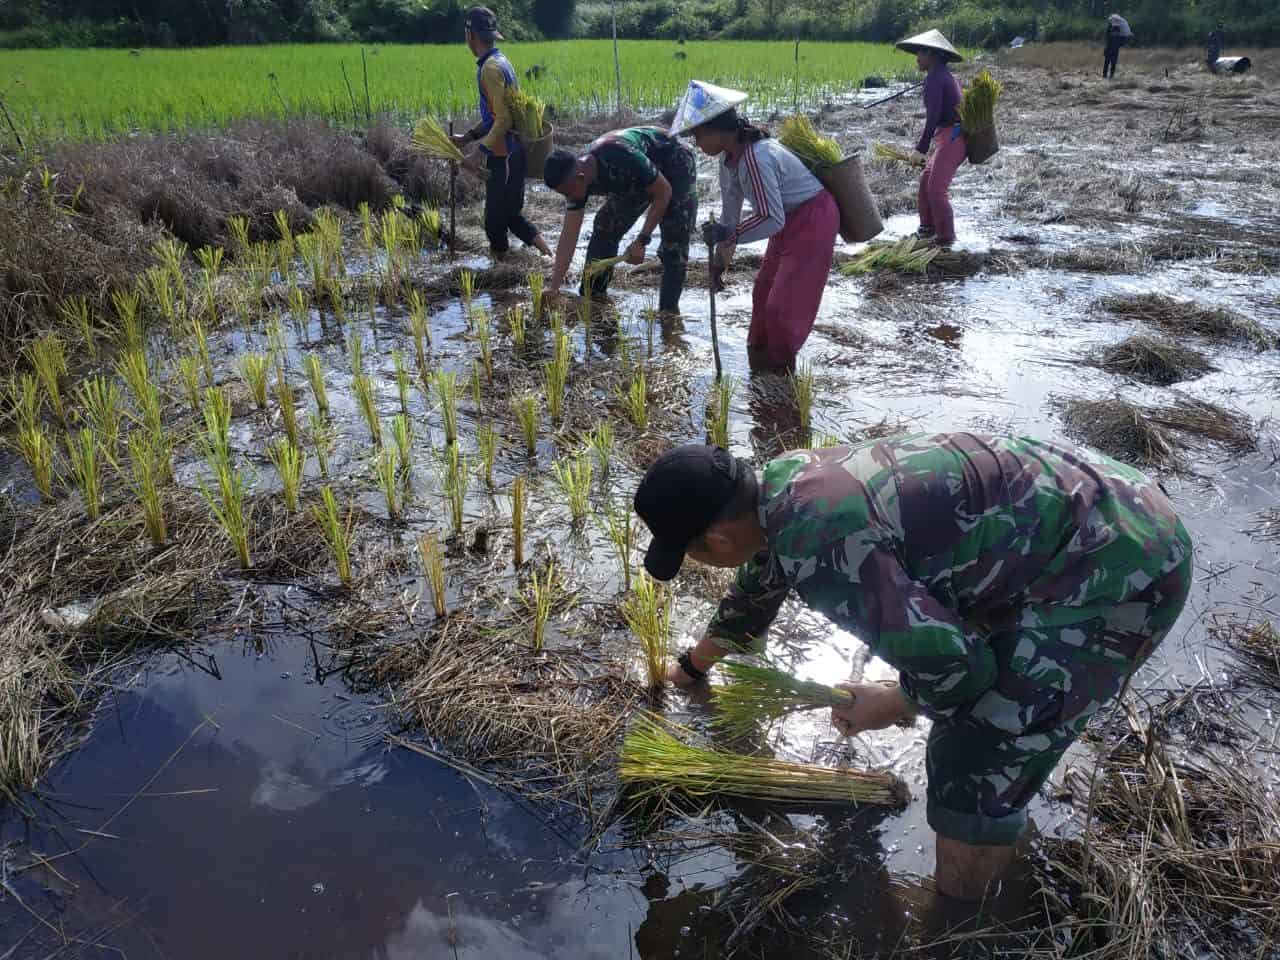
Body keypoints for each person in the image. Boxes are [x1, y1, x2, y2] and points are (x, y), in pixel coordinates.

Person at [632, 435, 1193, 900]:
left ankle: (962, 918)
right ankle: (1007, 864)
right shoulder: (786, 487)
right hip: (1106, 499)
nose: (696, 563)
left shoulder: (822, 543)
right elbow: (757, 588)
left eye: (692, 554)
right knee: (978, 699)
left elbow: (958, 671)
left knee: (973, 755)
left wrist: (893, 703)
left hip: (1119, 568)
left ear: (716, 538)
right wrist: (692, 666)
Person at [670, 80, 840, 372]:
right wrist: (720, 263)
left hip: (813, 219)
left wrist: (730, 234)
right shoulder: (729, 161)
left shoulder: (756, 158)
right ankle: (760, 366)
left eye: (697, 136)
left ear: (714, 129)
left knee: (782, 308)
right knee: (762, 292)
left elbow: (771, 218)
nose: (697, 145)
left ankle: (781, 374)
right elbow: (730, 216)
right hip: (787, 221)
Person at [542, 127, 697, 313]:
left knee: (674, 243)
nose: (569, 198)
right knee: (605, 226)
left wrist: (641, 241)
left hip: (673, 160)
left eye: (567, 193)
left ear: (580, 178)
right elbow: (569, 236)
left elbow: (663, 191)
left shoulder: (618, 155)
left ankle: (668, 314)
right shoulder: (575, 182)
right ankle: (594, 300)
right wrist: (554, 287)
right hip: (635, 179)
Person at [452, 7, 551, 260]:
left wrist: (479, 152)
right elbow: (498, 115)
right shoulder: (500, 61)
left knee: (495, 224)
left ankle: (501, 276)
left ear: (470, 34)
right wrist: (469, 137)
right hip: (512, 152)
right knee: (510, 216)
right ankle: (549, 257)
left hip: (504, 156)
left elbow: (504, 119)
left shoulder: (489, 69)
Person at [896, 30, 965, 248]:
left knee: (936, 189)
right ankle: (927, 229)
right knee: (926, 181)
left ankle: (946, 241)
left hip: (954, 137)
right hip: (948, 136)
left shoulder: (936, 78)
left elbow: (933, 117)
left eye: (921, 52)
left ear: (933, 55)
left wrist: (921, 149)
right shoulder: (939, 74)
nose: (917, 57)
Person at [1103, 14, 1132, 78]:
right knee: (1108, 63)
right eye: (1114, 32)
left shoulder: (1117, 36)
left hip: (1113, 50)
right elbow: (1107, 37)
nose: (1115, 33)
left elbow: (1121, 42)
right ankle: (1106, 75)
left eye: (1116, 32)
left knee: (1111, 63)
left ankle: (1110, 75)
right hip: (1111, 49)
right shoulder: (1115, 35)